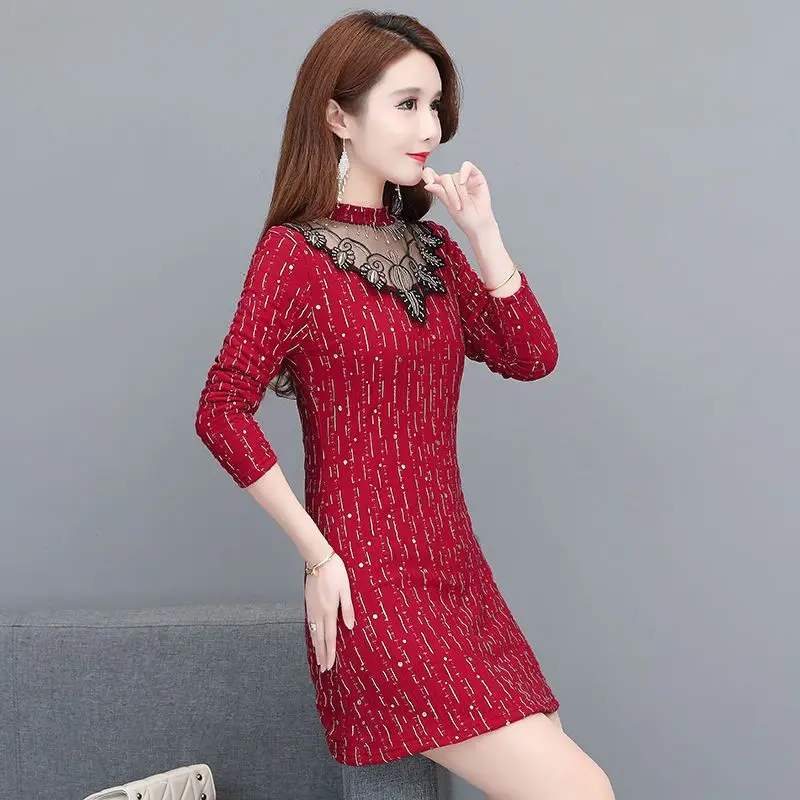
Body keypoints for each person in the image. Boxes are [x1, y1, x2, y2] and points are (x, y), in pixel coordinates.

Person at [195, 10, 615, 800]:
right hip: (373, 589)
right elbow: (221, 409)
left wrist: (482, 231)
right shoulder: (294, 253)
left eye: (436, 107)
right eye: (408, 104)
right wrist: (319, 558)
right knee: (580, 790)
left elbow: (531, 356)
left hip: (460, 575)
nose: (431, 129)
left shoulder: (433, 249)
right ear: (337, 116)